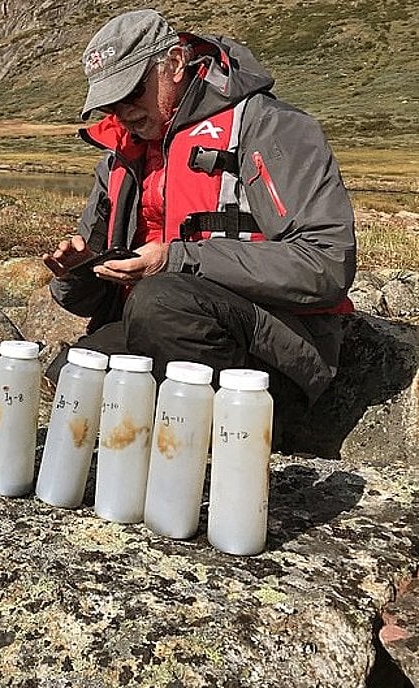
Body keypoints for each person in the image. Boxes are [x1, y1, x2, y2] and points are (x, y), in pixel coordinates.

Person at [42, 9, 356, 411]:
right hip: (162, 328)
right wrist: (80, 271)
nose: (123, 114)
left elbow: (325, 265)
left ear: (174, 63)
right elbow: (92, 304)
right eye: (110, 105)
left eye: (132, 93)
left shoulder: (270, 126)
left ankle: (225, 436)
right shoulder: (121, 155)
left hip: (279, 351)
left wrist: (175, 260)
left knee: (160, 302)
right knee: (73, 375)